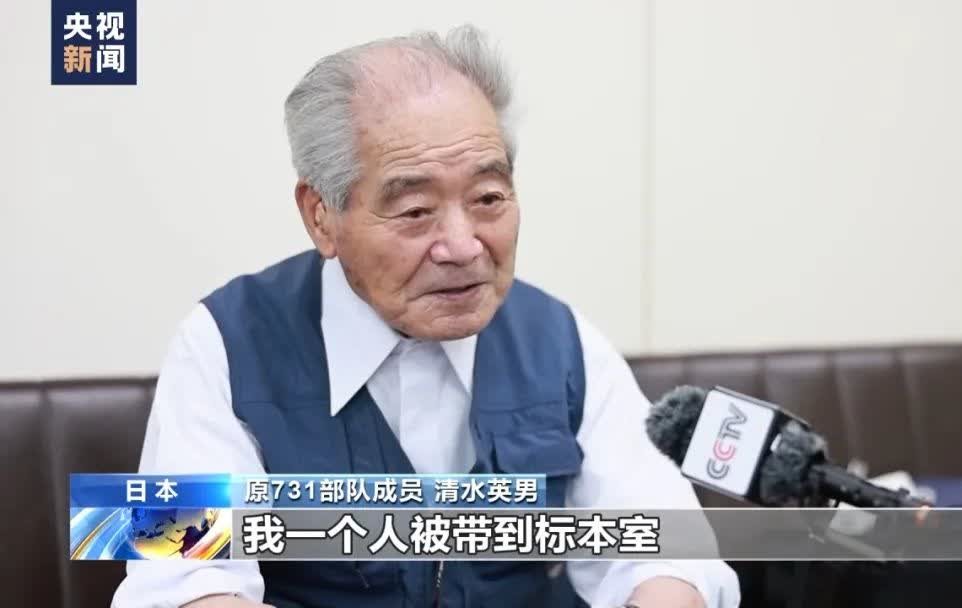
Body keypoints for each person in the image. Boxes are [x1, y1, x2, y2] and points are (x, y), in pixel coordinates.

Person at [112, 24, 740, 608]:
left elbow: (665, 548)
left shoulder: (562, 343)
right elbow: (182, 577)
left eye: (488, 198)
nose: (463, 246)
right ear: (321, 216)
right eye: (415, 210)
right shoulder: (224, 343)